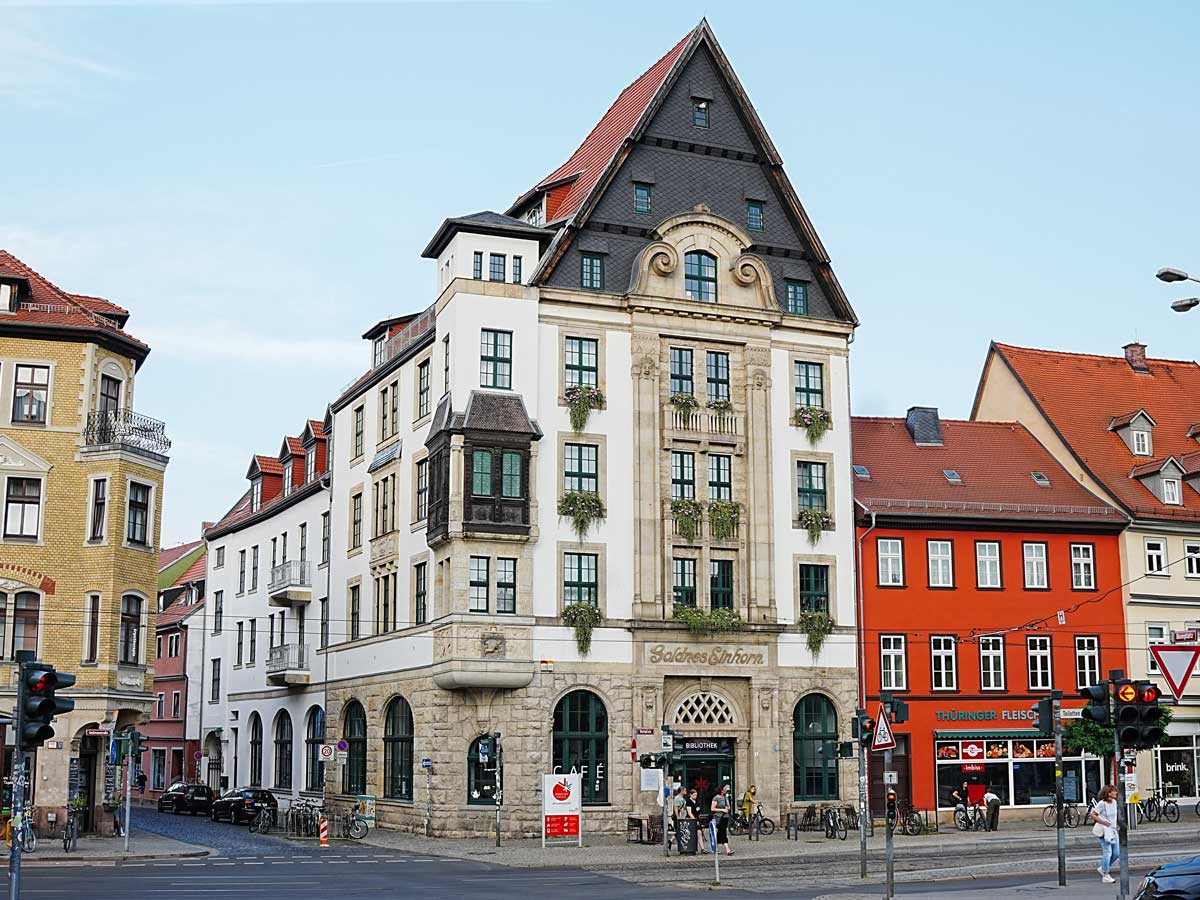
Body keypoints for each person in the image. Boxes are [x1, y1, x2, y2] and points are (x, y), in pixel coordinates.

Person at [1090, 785, 1119, 884]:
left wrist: (1117, 825)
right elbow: (1093, 814)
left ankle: (1103, 868)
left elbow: (1115, 816)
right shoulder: (1102, 804)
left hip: (1113, 830)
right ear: (1108, 793)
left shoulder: (1114, 802)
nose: (1116, 793)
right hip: (1105, 830)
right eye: (1114, 791)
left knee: (1116, 853)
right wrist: (1103, 822)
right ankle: (1106, 875)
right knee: (1108, 852)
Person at [710, 784, 733, 856]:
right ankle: (727, 849)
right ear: (721, 790)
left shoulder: (725, 798)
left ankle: (716, 847)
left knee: (721, 832)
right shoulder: (716, 798)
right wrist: (722, 810)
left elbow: (728, 807)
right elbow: (712, 808)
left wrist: (728, 808)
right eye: (724, 789)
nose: (726, 790)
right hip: (718, 817)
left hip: (725, 817)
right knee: (723, 833)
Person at [687, 788, 708, 853]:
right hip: (691, 819)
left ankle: (702, 848)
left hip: (697, 818)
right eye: (694, 795)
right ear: (690, 795)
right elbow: (689, 812)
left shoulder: (696, 801)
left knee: (699, 833)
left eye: (696, 795)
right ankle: (691, 848)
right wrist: (694, 820)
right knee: (692, 834)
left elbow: (698, 810)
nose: (695, 796)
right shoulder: (688, 802)